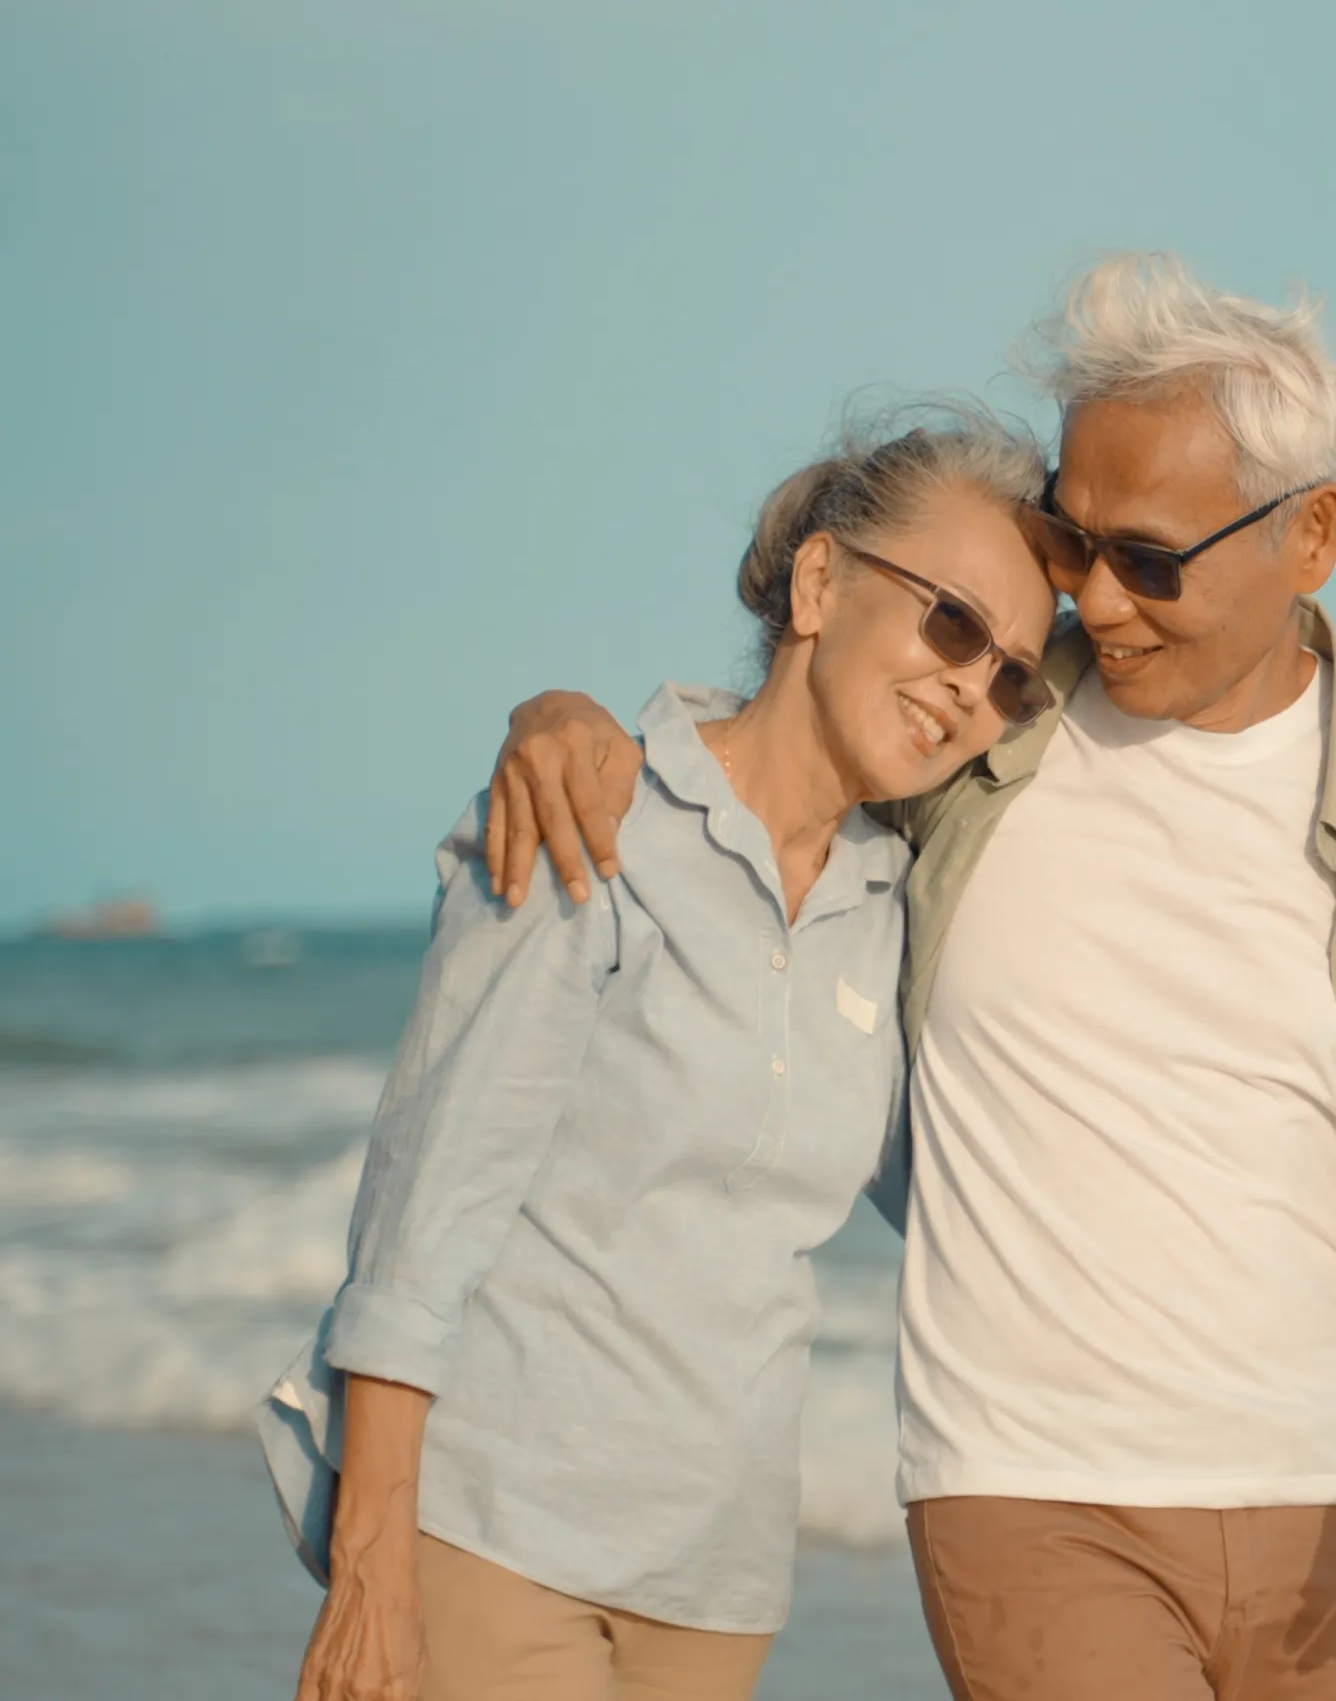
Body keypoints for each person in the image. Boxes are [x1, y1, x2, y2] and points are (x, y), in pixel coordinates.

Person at [486, 254, 1336, 1701]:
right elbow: (767, 756)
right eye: (1071, 541)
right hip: (1028, 1483)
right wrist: (568, 719)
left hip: (1329, 1500)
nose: (1097, 603)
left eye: (1152, 559)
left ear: (1314, 537)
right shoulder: (986, 722)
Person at [260, 405, 1058, 1701]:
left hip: (716, 1591)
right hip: (496, 1533)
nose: (973, 685)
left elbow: (971, 1209)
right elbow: (425, 1210)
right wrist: (371, 1569)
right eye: (952, 622)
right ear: (819, 585)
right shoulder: (597, 805)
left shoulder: (891, 912)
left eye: (1013, 675)